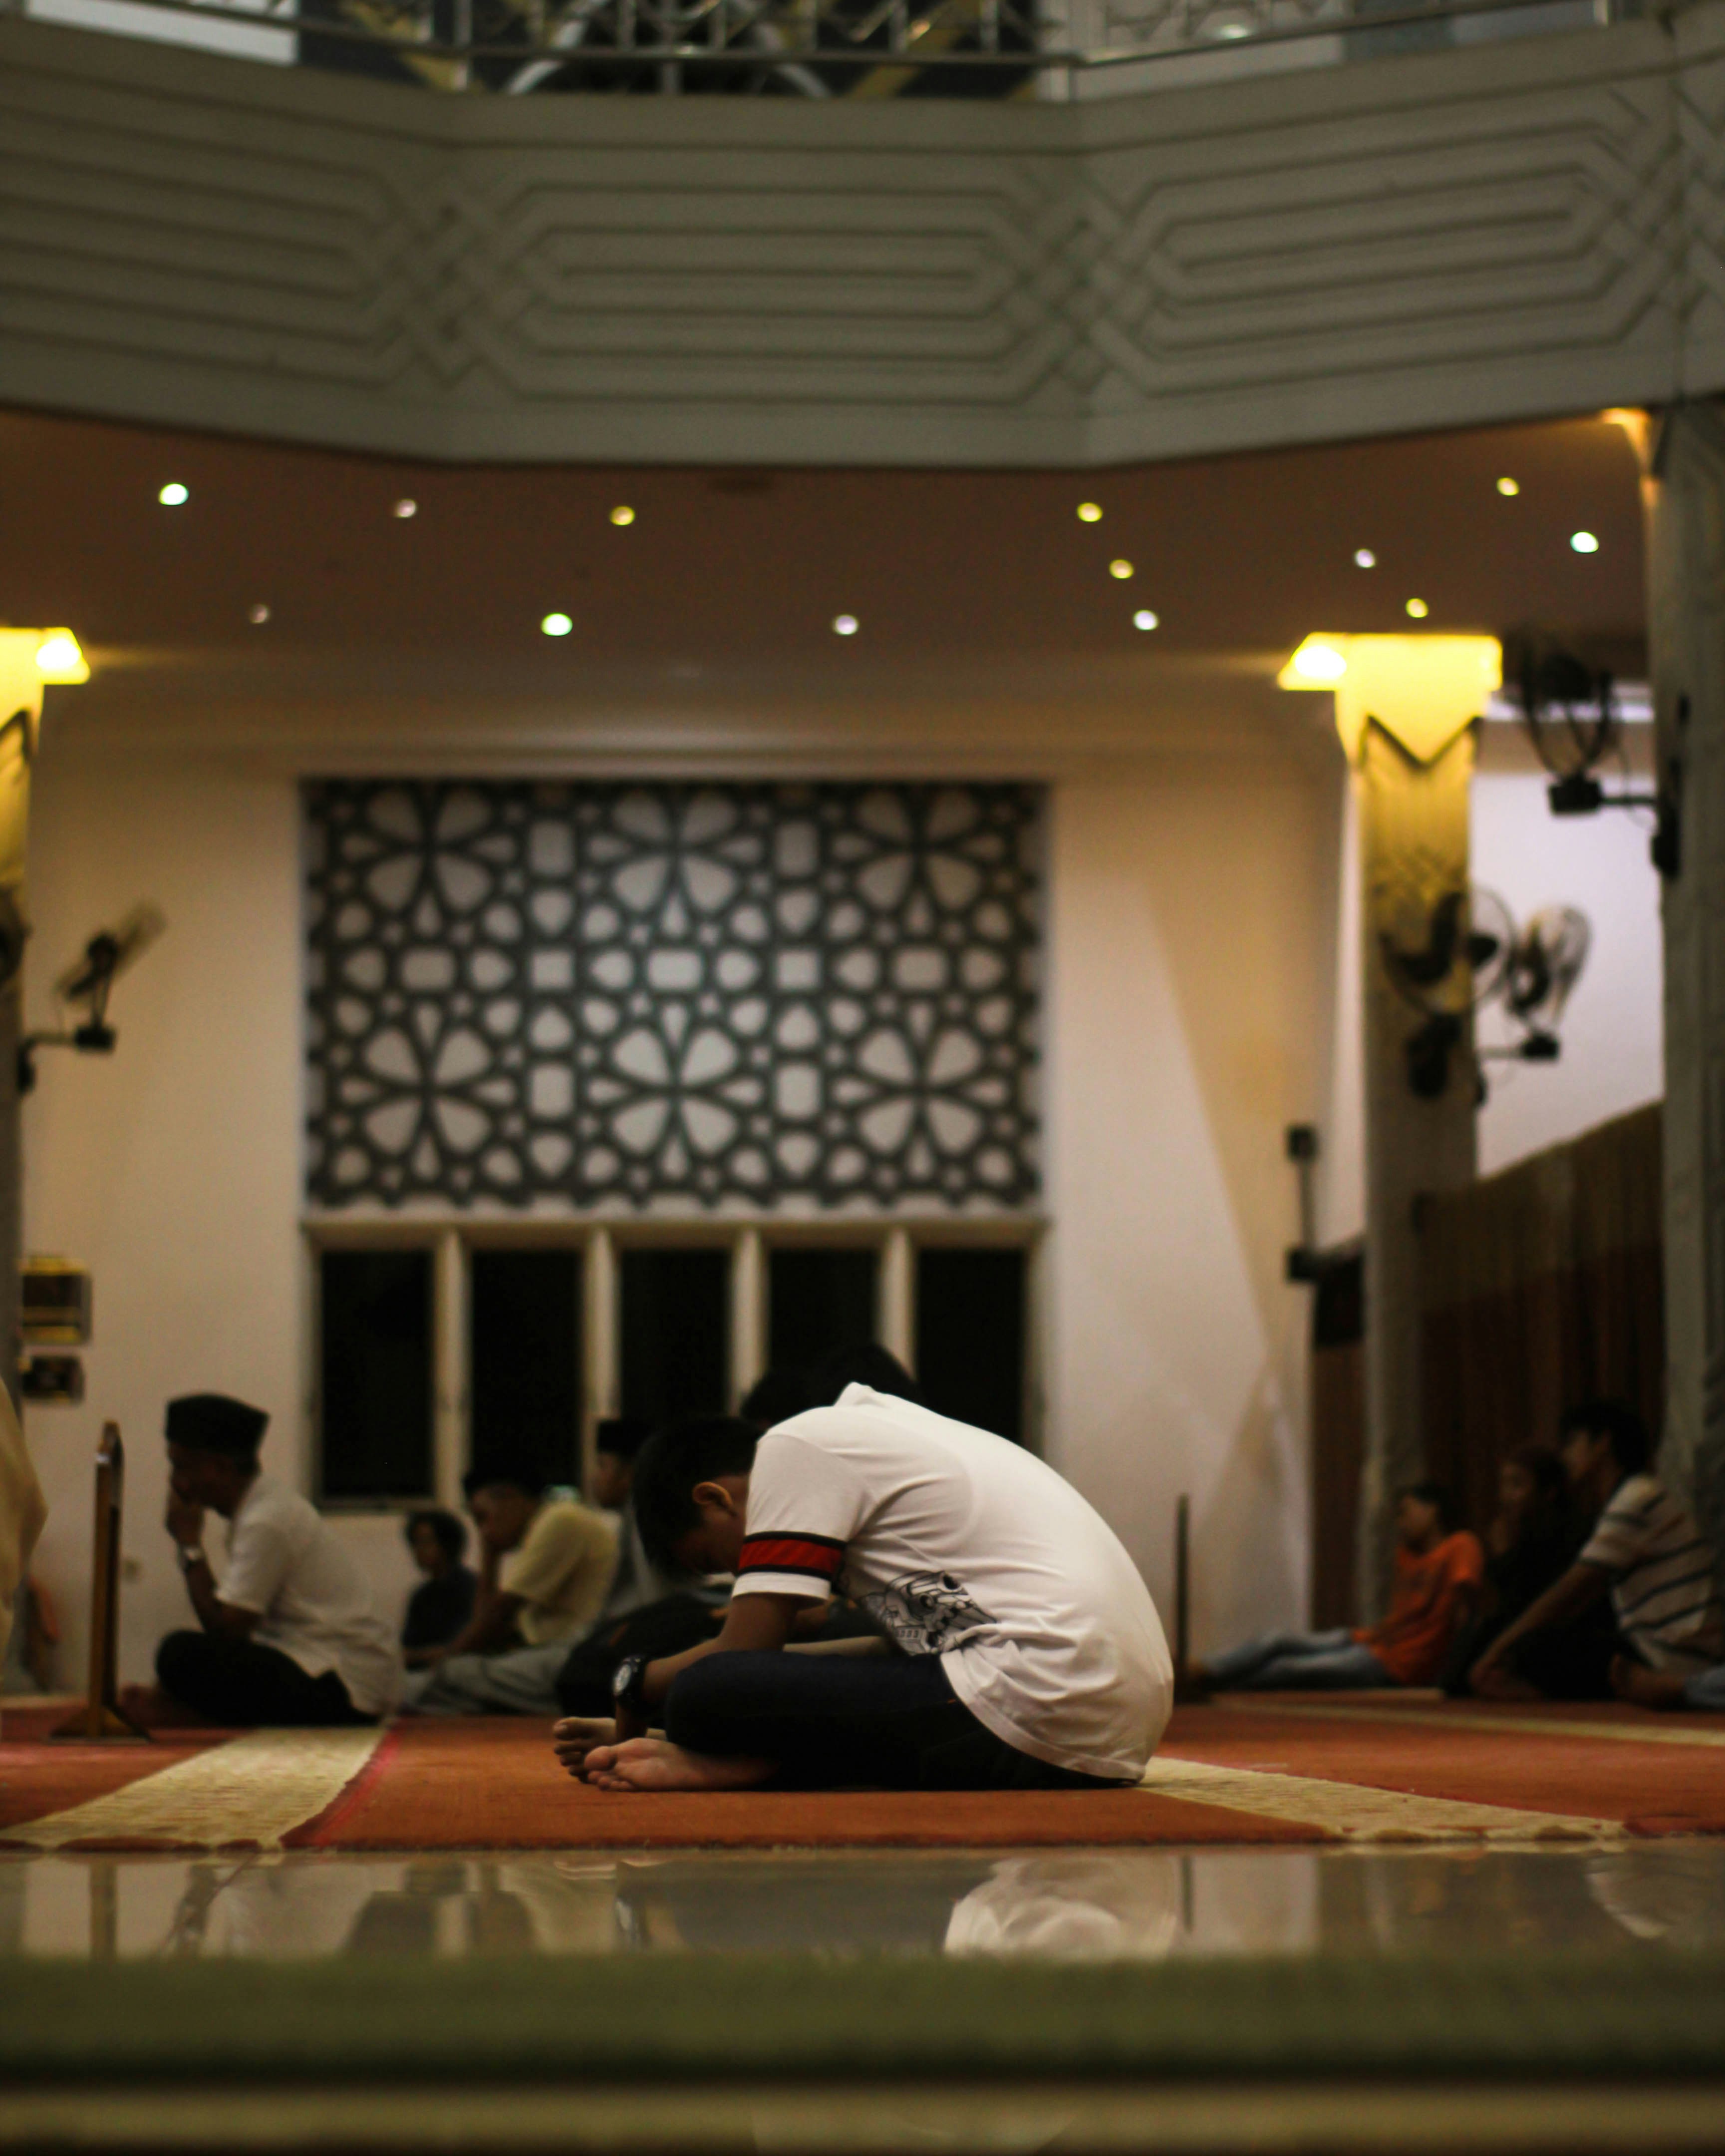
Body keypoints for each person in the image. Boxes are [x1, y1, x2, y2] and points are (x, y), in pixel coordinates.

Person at [551, 1378, 1172, 1793]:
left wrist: (634, 1686)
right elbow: (892, 1659)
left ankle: (745, 1761)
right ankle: (752, 1756)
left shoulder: (793, 1449)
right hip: (1102, 1719)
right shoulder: (884, 1438)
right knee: (734, 1689)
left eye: (724, 1560)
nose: (742, 1578)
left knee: (706, 1692)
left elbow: (740, 1657)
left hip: (1039, 1696)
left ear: (715, 1498)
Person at [140, 1393, 400, 1727]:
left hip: (343, 1686)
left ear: (220, 1467)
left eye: (182, 1467)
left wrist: (189, 1545)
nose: (176, 1483)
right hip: (323, 1670)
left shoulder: (266, 1520)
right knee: (190, 1659)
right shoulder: (261, 1507)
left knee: (178, 1653)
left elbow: (226, 1632)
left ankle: (182, 1711)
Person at [1473, 1400, 1723, 1700]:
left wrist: (1499, 1650)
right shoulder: (1628, 1498)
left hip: (1672, 1655)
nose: (1566, 1456)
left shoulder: (1637, 1497)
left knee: (1533, 1648)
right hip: (1657, 1645)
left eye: (1573, 1443)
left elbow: (1571, 1591)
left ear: (1603, 1443)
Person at [1201, 1485, 1482, 1693]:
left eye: (1405, 1512)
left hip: (1400, 1664)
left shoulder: (1460, 1546)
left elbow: (1467, 1605)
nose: (1401, 1522)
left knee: (1287, 1669)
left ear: (1432, 1510)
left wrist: (1451, 1671)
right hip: (1374, 1640)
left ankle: (1209, 1684)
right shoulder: (1406, 1555)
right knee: (1277, 1640)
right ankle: (1204, 1670)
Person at [406, 1465, 617, 1715]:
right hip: (559, 1657)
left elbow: (495, 1618)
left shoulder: (560, 1519)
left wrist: (445, 1660)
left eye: (482, 1517)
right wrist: (491, 1553)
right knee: (450, 1692)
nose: (483, 1530)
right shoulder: (543, 1528)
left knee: (450, 1674)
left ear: (507, 1497)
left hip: (574, 1656)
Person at [1442, 1446, 1616, 1698]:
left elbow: (1542, 1607)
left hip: (1573, 1634)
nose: (1506, 1497)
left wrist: (1505, 1558)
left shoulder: (1574, 1535)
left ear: (1548, 1493)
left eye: (1517, 1485)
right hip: (1531, 1631)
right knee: (1467, 1657)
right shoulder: (1521, 1535)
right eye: (1504, 1485)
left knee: (1528, 1648)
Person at [589, 1418, 675, 1622]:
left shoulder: (647, 1514)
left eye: (602, 1466)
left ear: (630, 1472)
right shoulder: (634, 1514)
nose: (595, 1478)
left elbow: (657, 1602)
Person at [401, 1509, 478, 1669]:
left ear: (447, 1545)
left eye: (426, 1542)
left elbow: (461, 1646)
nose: (419, 1550)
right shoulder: (422, 1596)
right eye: (415, 1543)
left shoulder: (470, 1588)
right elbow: (407, 1646)